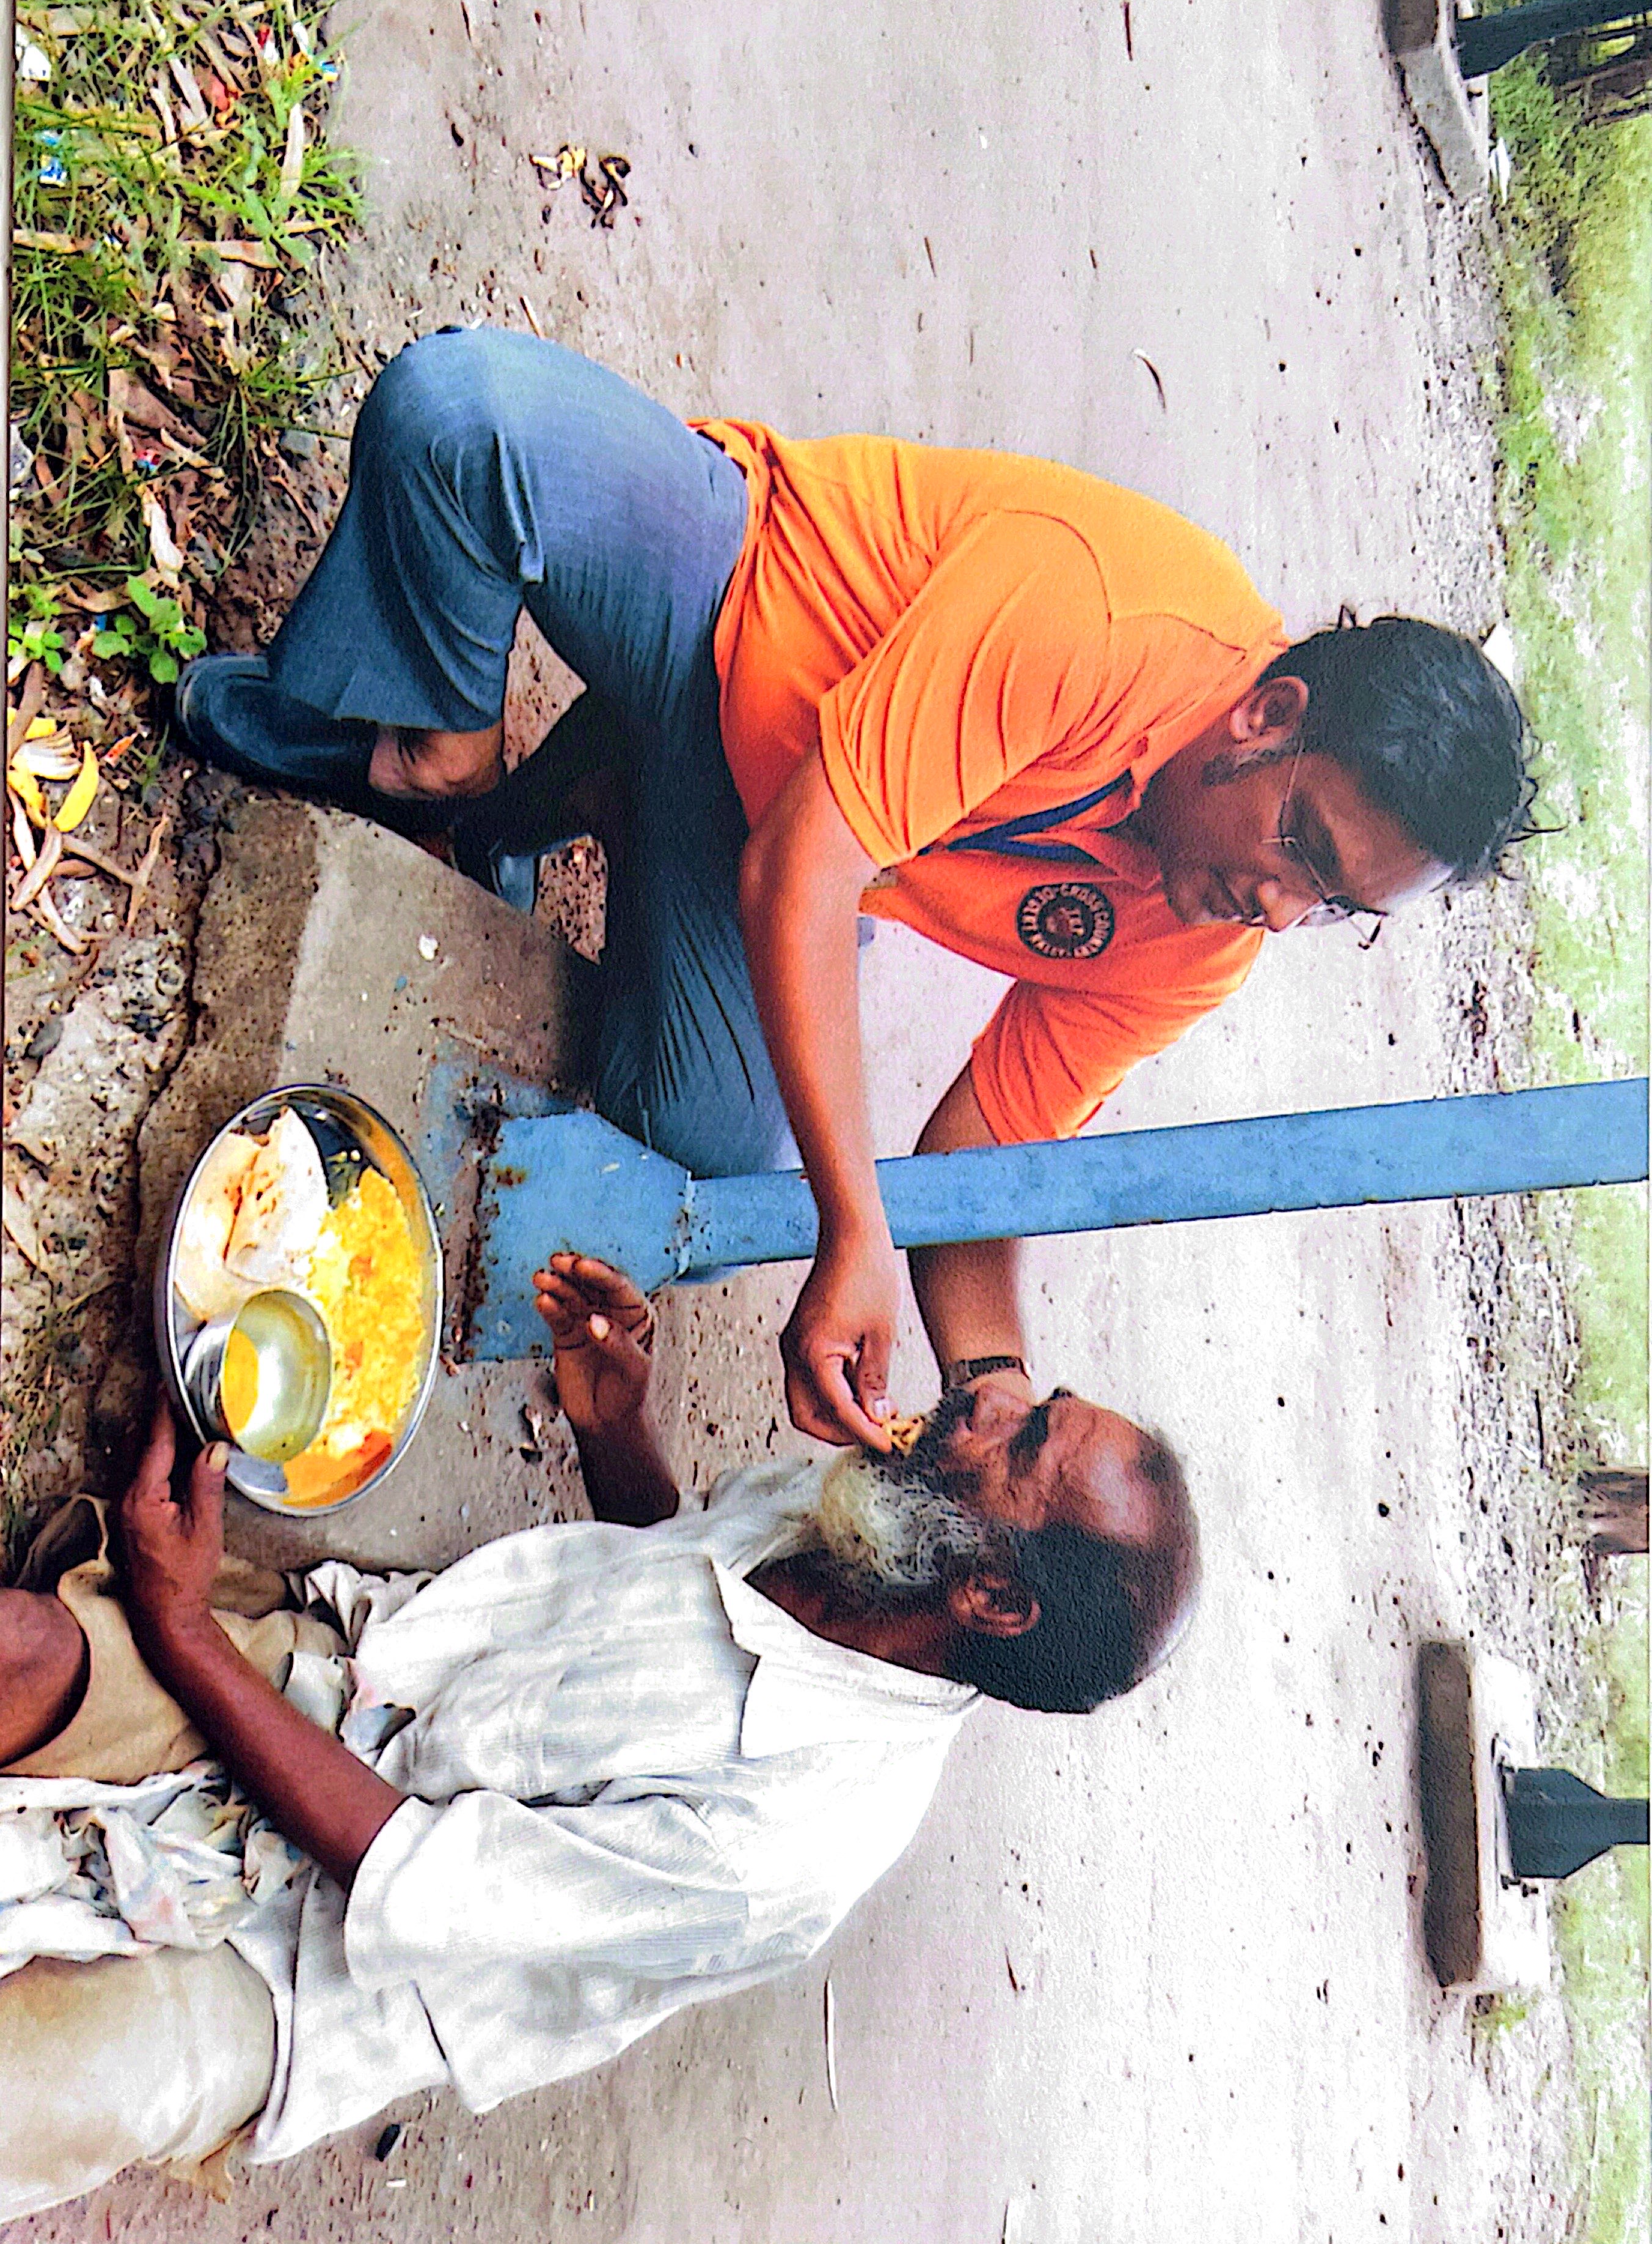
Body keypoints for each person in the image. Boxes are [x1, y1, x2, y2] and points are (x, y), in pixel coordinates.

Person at [170, 326, 1537, 1452]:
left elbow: (979, 1152)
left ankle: (607, 791)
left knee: (699, 1142)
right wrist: (852, 1226)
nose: (1283, 908)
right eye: (1302, 849)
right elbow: (810, 870)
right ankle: (438, 755)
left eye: (1337, 908)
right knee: (463, 419)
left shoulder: (1200, 940)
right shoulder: (1106, 618)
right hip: (728, 596)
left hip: (767, 824)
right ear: (1265, 716)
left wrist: (990, 1383)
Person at [0, 1255, 1197, 2216]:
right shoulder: (885, 1521)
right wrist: (616, 1428)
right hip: (356, 1683)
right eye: (1038, 1402)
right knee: (19, 1655)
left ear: (991, 1602)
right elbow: (669, 1585)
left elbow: (406, 1869)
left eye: (1024, 1444)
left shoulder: (788, 1851)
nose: (986, 1394)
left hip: (311, 1981)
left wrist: (177, 1622)